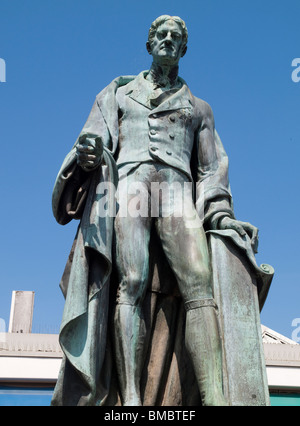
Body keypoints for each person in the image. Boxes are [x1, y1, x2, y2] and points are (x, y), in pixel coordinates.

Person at [51, 15, 258, 406]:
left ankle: (214, 397)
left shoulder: (200, 109)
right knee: (131, 280)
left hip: (178, 192)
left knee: (200, 282)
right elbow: (92, 139)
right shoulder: (116, 94)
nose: (167, 40)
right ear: (149, 45)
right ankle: (130, 398)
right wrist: (88, 153)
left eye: (175, 37)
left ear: (183, 48)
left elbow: (212, 169)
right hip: (128, 185)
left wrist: (222, 216)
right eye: (161, 35)